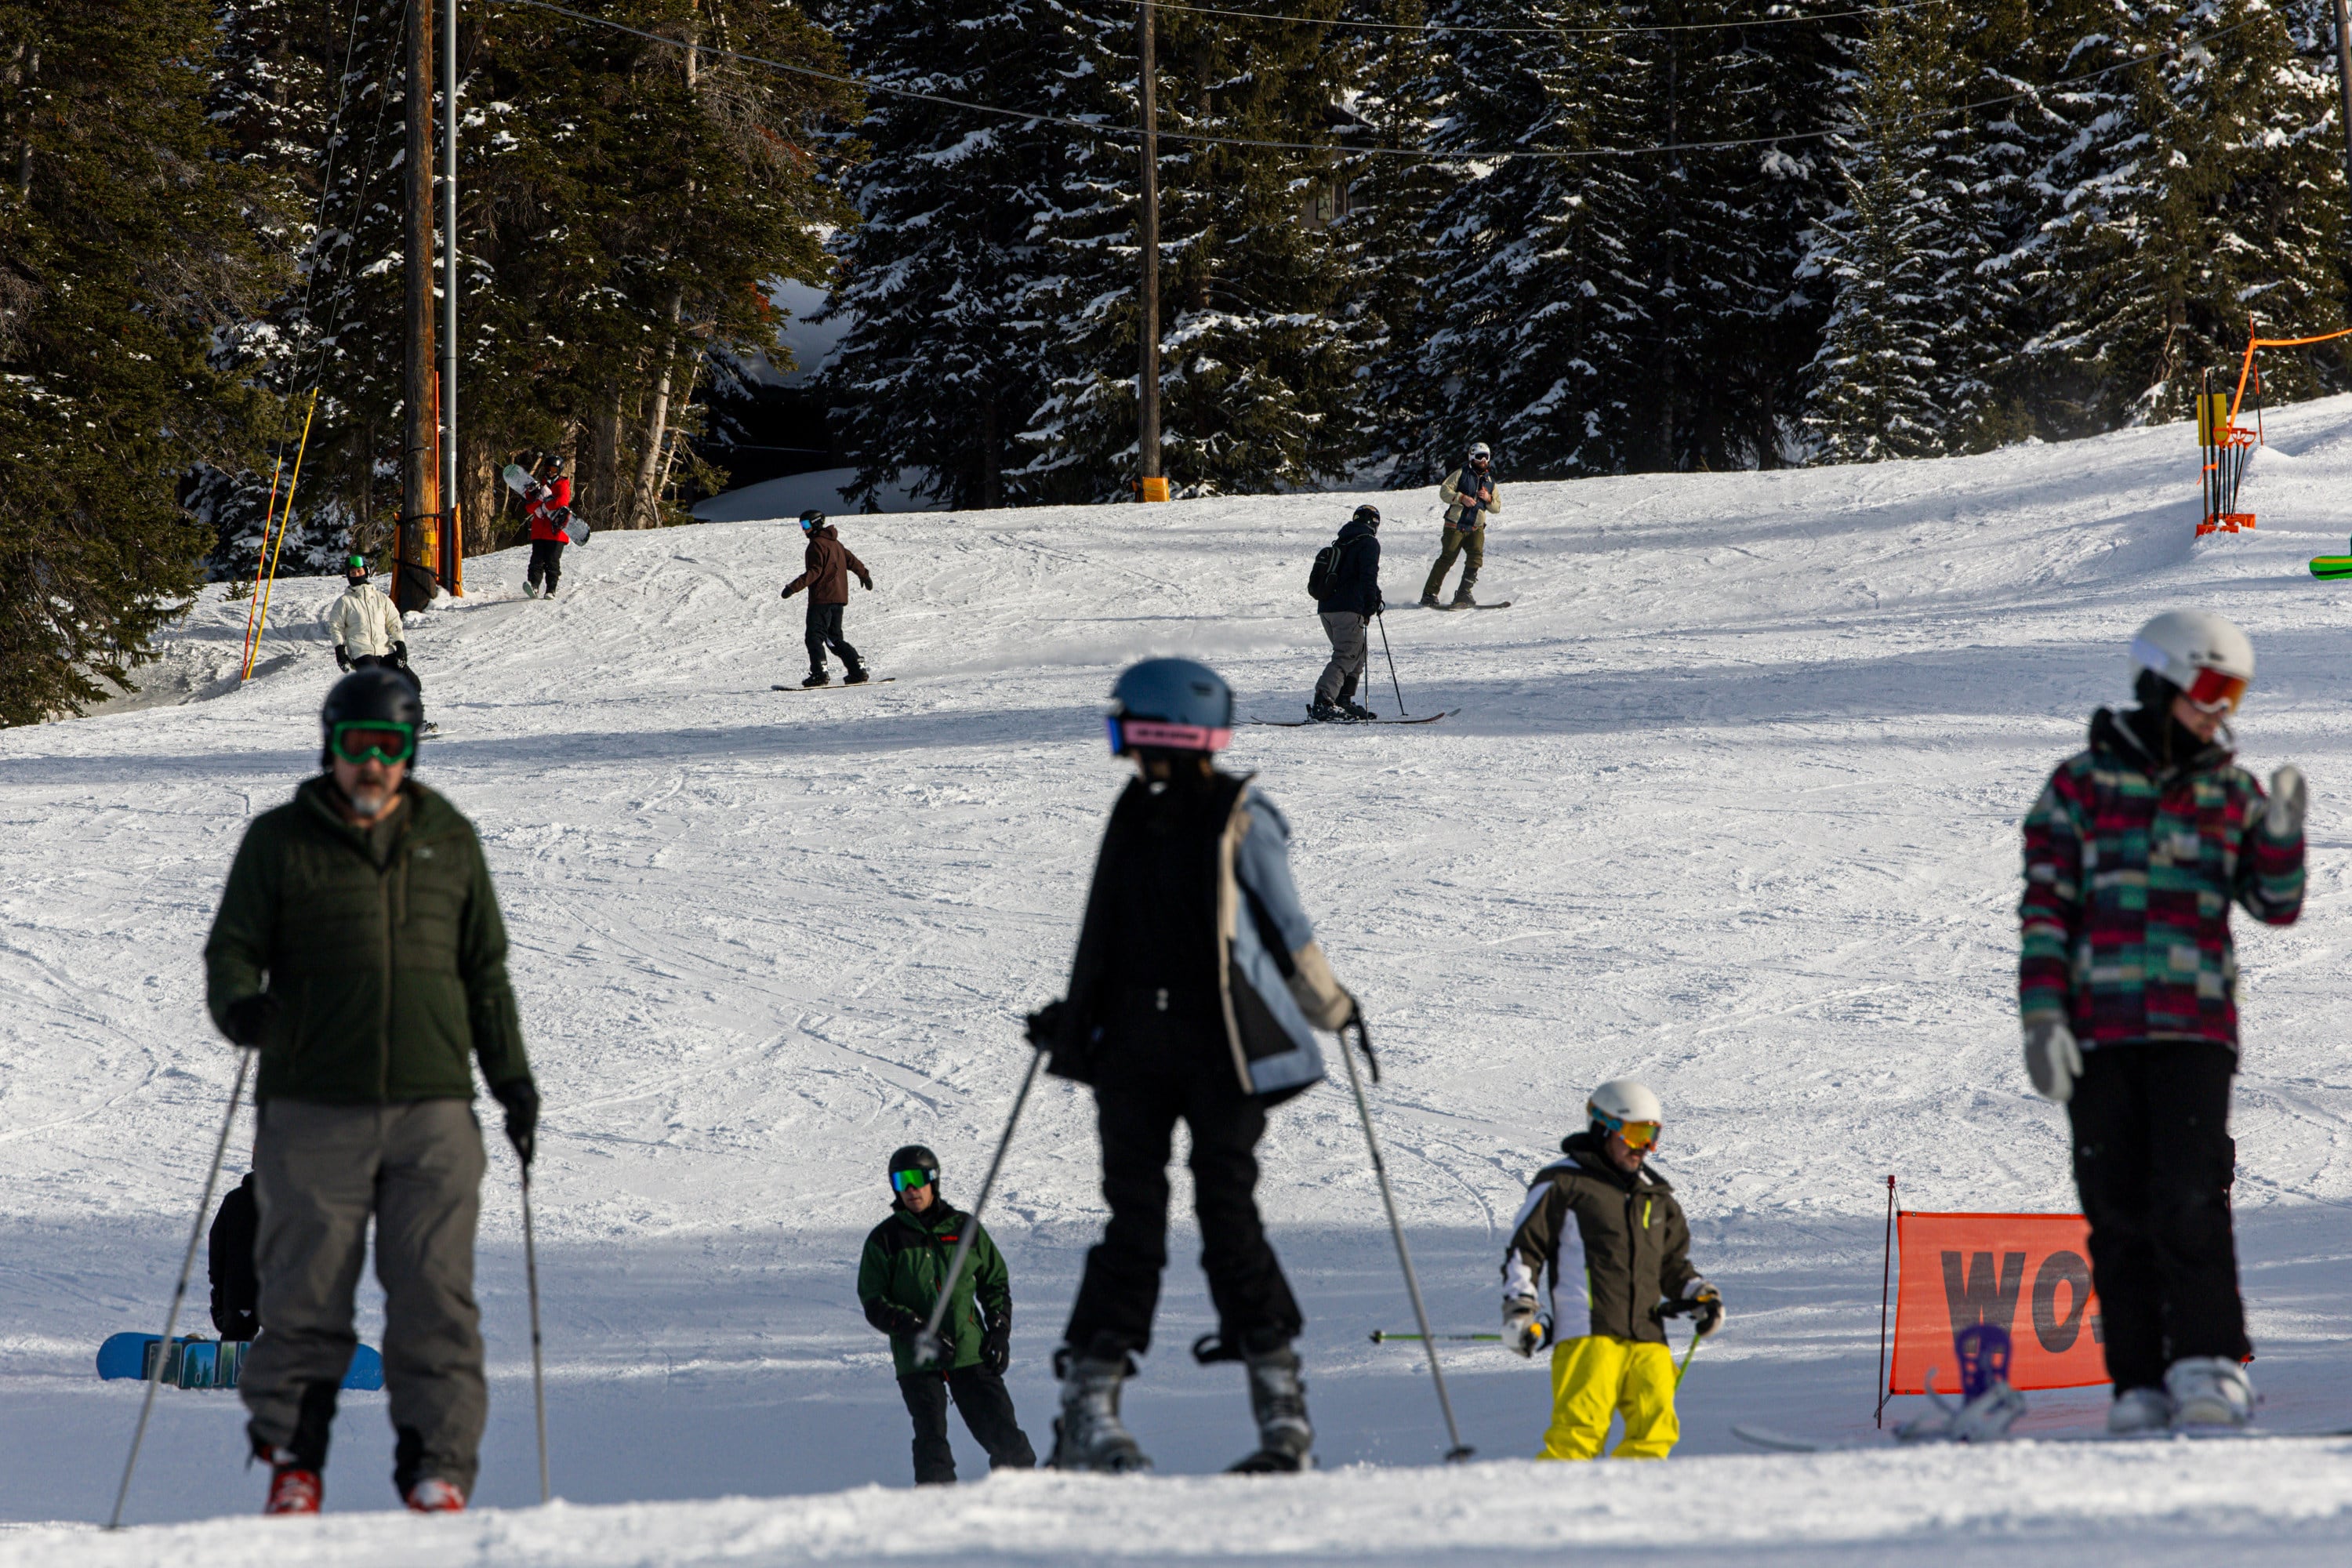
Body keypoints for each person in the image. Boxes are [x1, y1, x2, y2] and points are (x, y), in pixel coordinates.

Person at [203, 667, 540, 1515]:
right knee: (304, 1291)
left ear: (410, 750)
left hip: (433, 1105)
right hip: (313, 1102)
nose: (373, 764)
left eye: (390, 746)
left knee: (434, 1292)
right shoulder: (280, 841)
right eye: (358, 745)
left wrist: (511, 1079)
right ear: (332, 747)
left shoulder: (449, 838)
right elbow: (233, 948)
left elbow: (485, 974)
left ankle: (438, 1469)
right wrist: (240, 1004)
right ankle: (295, 1462)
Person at [1025, 658, 1358, 1474]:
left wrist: (1332, 1008)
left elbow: (1286, 929)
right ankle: (1090, 1408)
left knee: (1226, 1214)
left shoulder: (1242, 816)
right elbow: (1110, 929)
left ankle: (1282, 1415)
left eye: (1125, 726)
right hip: (1133, 1045)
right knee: (1133, 1220)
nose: (1121, 743)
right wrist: (1078, 1012)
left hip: (1221, 1050)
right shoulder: (1134, 809)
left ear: (1164, 730)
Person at [2020, 610, 2305, 1432]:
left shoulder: (2231, 792)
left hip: (2194, 1028)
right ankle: (2140, 1382)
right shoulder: (2080, 786)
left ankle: (2209, 1364)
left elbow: (2275, 904)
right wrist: (2043, 1018)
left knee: (2188, 1192)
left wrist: (2281, 836)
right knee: (2115, 1207)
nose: (2221, 711)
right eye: (2211, 688)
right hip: (2098, 1030)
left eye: (2233, 695)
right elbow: (2046, 911)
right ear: (2162, 679)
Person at [1500, 1079, 1722, 1461]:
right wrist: (1520, 1308)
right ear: (1604, 1128)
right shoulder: (1564, 1183)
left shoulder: (1656, 1197)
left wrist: (1699, 1294)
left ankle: (1630, 1498)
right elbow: (1526, 1249)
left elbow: (1671, 1266)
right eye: (1636, 1134)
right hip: (1589, 1333)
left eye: (1651, 1136)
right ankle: (1551, 1497)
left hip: (1648, 1335)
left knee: (1656, 1431)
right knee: (1578, 1435)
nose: (1644, 1148)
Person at [856, 1144, 1036, 1485]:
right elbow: (874, 1301)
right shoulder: (885, 1240)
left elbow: (995, 1282)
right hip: (918, 1358)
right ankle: (937, 1508)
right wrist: (917, 1329)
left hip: (970, 1351)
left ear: (933, 1180)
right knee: (932, 1444)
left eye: (918, 1179)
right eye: (901, 1181)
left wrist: (999, 1328)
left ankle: (1020, 1502)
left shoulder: (964, 1228)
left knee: (1006, 1439)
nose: (911, 1189)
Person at [780, 510, 873, 687]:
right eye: (801, 525)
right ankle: (857, 669)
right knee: (834, 639)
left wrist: (792, 588)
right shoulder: (835, 543)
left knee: (814, 636)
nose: (803, 529)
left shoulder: (817, 545)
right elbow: (852, 561)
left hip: (822, 599)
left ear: (815, 523)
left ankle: (819, 674)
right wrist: (864, 576)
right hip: (838, 599)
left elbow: (815, 571)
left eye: (805, 525)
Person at [1308, 504, 1383, 724]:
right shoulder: (1368, 542)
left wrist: (1373, 596)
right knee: (1346, 654)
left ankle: (1343, 700)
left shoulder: (1342, 542)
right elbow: (1368, 575)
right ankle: (1323, 702)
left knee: (1358, 653)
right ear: (1374, 523)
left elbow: (1351, 574)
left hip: (1327, 608)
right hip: (1348, 609)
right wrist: (1370, 604)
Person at [1421, 441, 1499, 608]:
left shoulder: (1490, 482)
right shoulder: (1461, 474)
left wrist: (1489, 499)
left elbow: (1497, 508)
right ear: (1472, 457)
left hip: (1476, 527)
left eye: (1486, 457)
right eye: (1480, 457)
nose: (1483, 460)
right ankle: (1429, 594)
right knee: (1448, 557)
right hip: (1455, 524)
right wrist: (1461, 498)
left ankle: (1464, 592)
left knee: (1476, 558)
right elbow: (1444, 491)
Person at [523, 460, 574, 600]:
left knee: (552, 561)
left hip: (556, 532)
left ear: (559, 470)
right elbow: (529, 507)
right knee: (536, 560)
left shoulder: (562, 484)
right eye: (548, 469)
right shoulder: (539, 486)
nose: (550, 472)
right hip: (539, 531)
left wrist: (545, 505)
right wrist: (540, 500)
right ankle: (534, 585)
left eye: (554, 469)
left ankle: (551, 589)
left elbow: (562, 501)